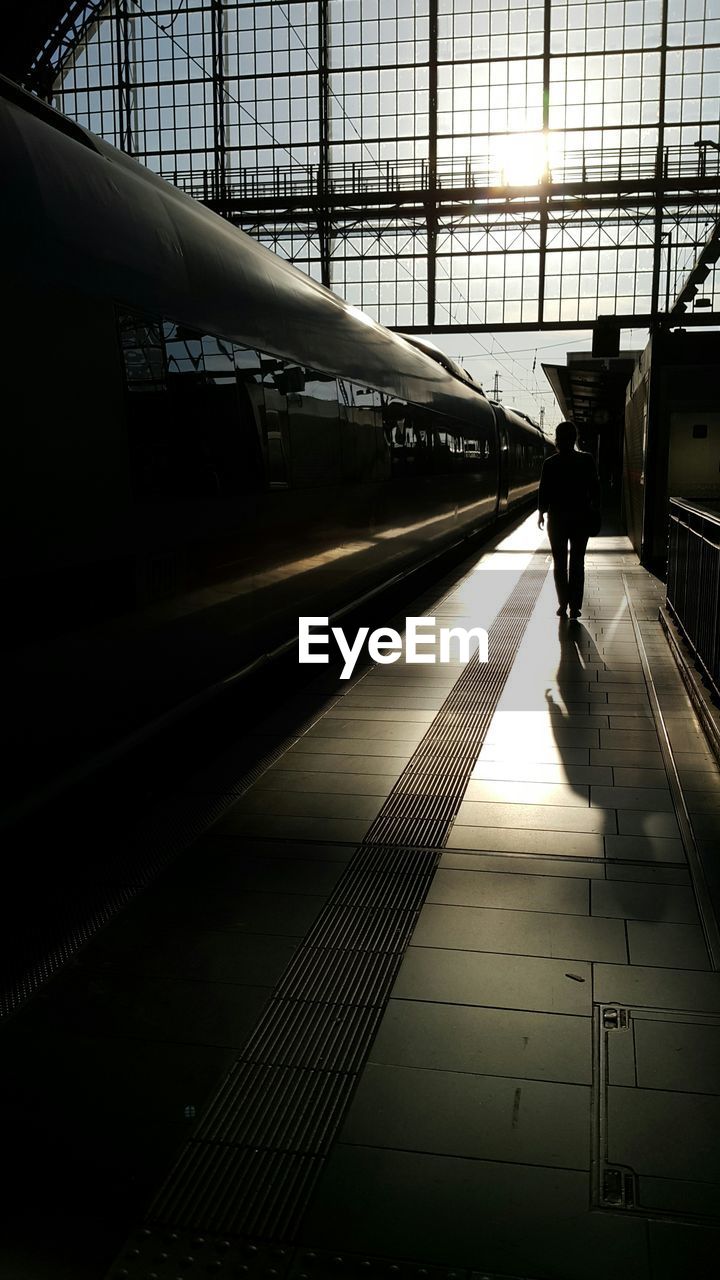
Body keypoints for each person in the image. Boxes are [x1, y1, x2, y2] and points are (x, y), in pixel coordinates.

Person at [537, 420, 601, 619]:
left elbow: (544, 491)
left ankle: (562, 604)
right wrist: (595, 510)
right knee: (577, 563)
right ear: (575, 439)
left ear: (557, 439)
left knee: (559, 563)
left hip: (557, 519)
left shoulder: (550, 463)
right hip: (581, 517)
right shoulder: (586, 460)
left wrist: (541, 512)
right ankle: (575, 606)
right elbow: (595, 489)